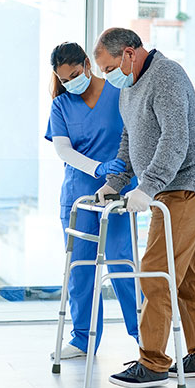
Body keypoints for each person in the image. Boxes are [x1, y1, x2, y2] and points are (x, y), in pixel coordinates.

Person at [92, 28, 195, 388]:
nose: (108, 76)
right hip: (166, 188)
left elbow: (175, 140)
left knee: (155, 270)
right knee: (186, 277)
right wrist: (116, 183)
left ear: (129, 54)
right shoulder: (129, 88)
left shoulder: (166, 75)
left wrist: (147, 187)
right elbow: (129, 139)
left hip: (187, 185)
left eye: (108, 68)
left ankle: (152, 363)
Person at [46, 42, 139, 360]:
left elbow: (138, 134)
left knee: (120, 261)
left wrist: (119, 174)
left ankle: (145, 337)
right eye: (64, 78)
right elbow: (63, 149)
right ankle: (83, 339)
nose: (71, 82)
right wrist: (97, 167)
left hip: (118, 192)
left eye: (74, 74)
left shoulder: (118, 92)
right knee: (80, 268)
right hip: (79, 195)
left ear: (87, 64)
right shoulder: (61, 105)